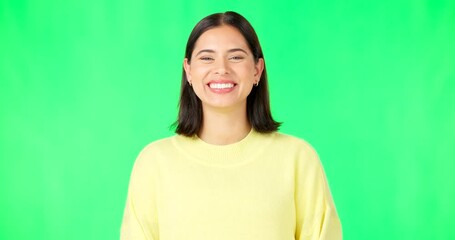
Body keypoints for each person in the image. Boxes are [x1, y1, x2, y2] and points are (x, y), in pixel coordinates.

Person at [120, 11, 342, 240]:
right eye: (207, 58)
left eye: (235, 57)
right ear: (188, 70)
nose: (221, 69)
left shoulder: (298, 158)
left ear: (257, 69)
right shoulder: (154, 163)